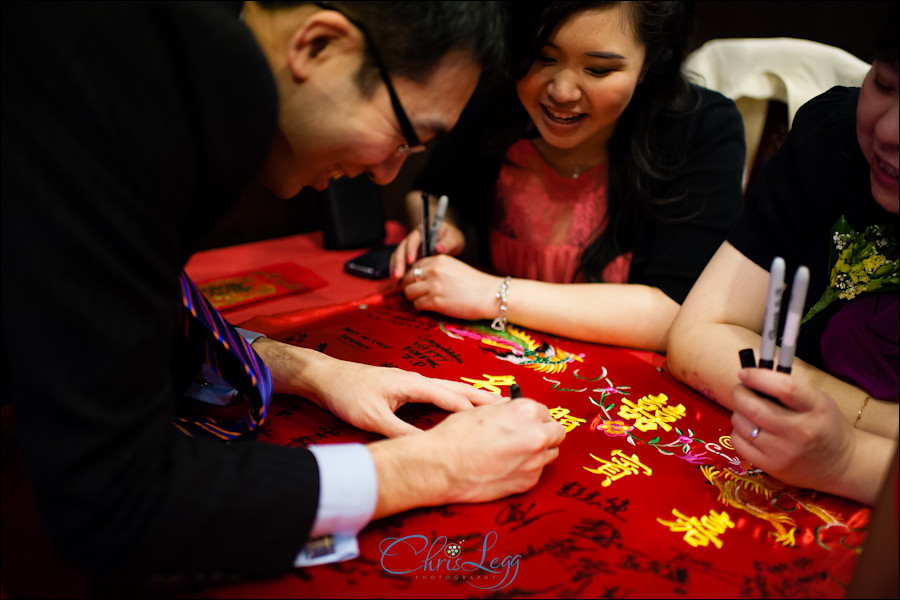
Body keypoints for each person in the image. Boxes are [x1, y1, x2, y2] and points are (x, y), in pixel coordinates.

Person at [0, 0, 566, 592]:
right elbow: (113, 500)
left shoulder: (188, 60)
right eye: (405, 135)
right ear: (318, 46)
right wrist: (429, 468)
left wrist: (308, 368)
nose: (386, 177)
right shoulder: (125, 85)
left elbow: (114, 305)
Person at [388, 1, 745, 353]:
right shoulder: (494, 98)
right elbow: (432, 191)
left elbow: (673, 311)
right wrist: (437, 225)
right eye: (543, 57)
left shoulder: (701, 128)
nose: (562, 92)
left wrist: (492, 294)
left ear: (649, 61)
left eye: (599, 70)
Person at [667, 1, 899, 507]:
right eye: (885, 84)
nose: (888, 133)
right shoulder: (831, 138)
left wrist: (849, 457)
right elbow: (699, 334)